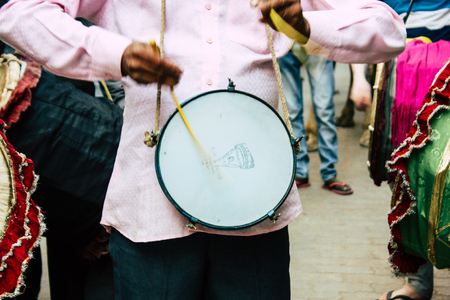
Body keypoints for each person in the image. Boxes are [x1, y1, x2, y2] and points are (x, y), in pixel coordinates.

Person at [0, 0, 405, 299]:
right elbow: (18, 15)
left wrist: (304, 23)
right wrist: (115, 53)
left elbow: (388, 30)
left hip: (256, 210)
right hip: (152, 213)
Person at [279, 44, 354, 195]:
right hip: (285, 45)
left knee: (324, 110)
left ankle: (329, 173)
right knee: (292, 113)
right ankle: (300, 171)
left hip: (316, 41)